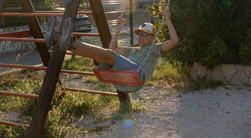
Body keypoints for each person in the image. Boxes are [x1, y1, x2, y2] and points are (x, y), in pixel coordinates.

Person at [46, 8, 179, 92]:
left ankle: (65, 38)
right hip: (124, 75)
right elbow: (113, 48)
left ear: (153, 38)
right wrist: (119, 28)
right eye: (139, 34)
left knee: (109, 55)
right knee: (99, 57)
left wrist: (168, 19)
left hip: (136, 75)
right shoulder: (133, 49)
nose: (140, 37)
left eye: (144, 34)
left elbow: (174, 41)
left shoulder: (155, 48)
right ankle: (59, 40)